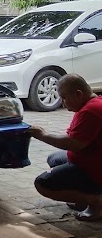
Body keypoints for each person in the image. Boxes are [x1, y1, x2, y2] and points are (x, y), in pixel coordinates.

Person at [29, 73, 102, 221]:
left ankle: (96, 201)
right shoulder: (90, 105)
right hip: (89, 159)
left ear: (78, 94)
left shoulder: (90, 111)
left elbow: (74, 143)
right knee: (54, 158)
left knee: (42, 183)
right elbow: (73, 136)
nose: (62, 103)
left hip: (96, 168)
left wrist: (42, 135)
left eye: (64, 98)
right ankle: (83, 198)